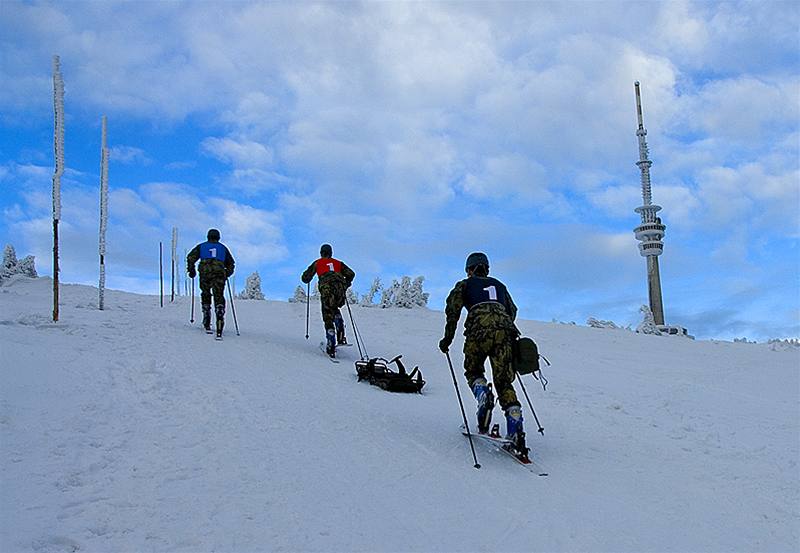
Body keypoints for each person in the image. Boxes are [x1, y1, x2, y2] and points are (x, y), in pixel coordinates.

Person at [438, 252, 525, 450]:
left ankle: (483, 394)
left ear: (469, 269)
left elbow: (452, 310)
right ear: (487, 268)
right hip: (505, 333)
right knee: (504, 381)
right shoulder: (499, 285)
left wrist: (447, 339)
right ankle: (515, 422)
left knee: (474, 371)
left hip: (478, 332)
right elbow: (513, 310)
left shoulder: (465, 285)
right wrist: (503, 327)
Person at [301, 244, 355, 358]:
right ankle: (340, 326)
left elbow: (305, 278)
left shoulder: (318, 263)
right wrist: (346, 284)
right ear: (331, 253)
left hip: (327, 288)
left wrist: (308, 276)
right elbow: (351, 274)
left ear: (321, 253)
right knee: (334, 307)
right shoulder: (338, 263)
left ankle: (331, 340)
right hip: (339, 289)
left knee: (327, 313)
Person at [187, 228, 235, 338]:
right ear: (218, 237)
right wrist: (227, 273)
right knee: (219, 295)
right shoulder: (223, 248)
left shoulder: (202, 246)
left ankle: (206, 316)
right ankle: (219, 313)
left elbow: (190, 257)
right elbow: (231, 263)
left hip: (205, 272)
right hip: (219, 273)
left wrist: (191, 270)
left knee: (205, 293)